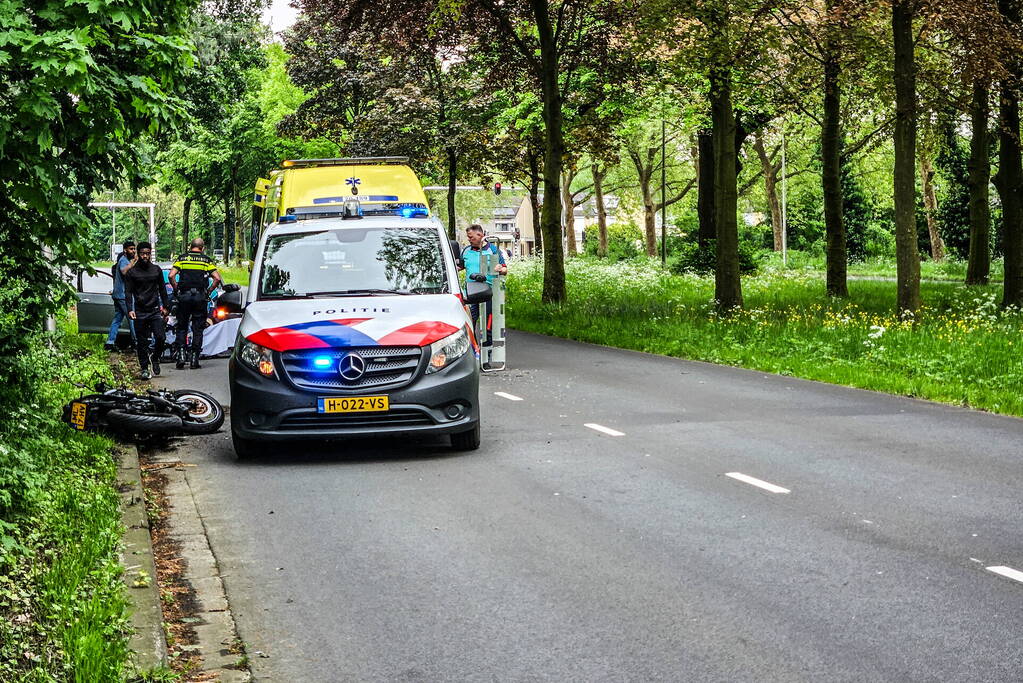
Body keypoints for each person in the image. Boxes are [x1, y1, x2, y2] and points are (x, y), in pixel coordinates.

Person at [169, 238, 221, 369]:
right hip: (200, 297)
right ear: (202, 248)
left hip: (184, 297)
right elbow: (217, 278)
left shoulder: (182, 258)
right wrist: (208, 291)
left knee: (182, 327)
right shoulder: (206, 260)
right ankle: (194, 359)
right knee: (198, 329)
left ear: (190, 246)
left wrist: (176, 289)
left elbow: (171, 276)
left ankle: (181, 356)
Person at [124, 242, 169, 380]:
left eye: (148, 253)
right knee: (141, 342)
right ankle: (144, 368)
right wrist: (130, 309)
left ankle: (155, 358)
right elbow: (128, 292)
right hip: (140, 311)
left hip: (155, 310)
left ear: (150, 254)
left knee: (161, 337)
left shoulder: (156, 270)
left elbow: (162, 289)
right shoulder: (132, 272)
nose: (145, 256)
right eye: (143, 253)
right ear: (138, 254)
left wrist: (166, 307)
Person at [460, 224, 506, 346]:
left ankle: (487, 354)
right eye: (468, 237)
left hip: (488, 293)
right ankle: (474, 351)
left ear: (480, 235)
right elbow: (460, 266)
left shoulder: (493, 249)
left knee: (488, 326)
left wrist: (500, 268)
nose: (469, 239)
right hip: (471, 293)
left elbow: (505, 270)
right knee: (469, 323)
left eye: (471, 237)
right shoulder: (466, 250)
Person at [104, 239, 138, 351]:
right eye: (131, 249)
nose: (133, 251)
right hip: (123, 295)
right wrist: (133, 263)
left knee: (117, 319)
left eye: (134, 249)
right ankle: (136, 342)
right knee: (132, 318)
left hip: (118, 294)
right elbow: (124, 272)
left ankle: (110, 342)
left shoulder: (125, 260)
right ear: (125, 250)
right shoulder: (124, 260)